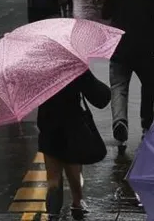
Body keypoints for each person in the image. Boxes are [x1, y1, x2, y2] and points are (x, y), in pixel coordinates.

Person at [102, 0, 154, 145]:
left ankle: (120, 120)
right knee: (149, 86)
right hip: (145, 49)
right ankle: (146, 125)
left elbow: (105, 15)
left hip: (119, 48)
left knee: (119, 87)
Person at [38, 70, 110, 220]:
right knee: (74, 177)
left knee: (53, 181)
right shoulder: (73, 65)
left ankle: (53, 215)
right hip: (72, 128)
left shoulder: (39, 67)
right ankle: (77, 204)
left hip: (48, 127)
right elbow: (100, 98)